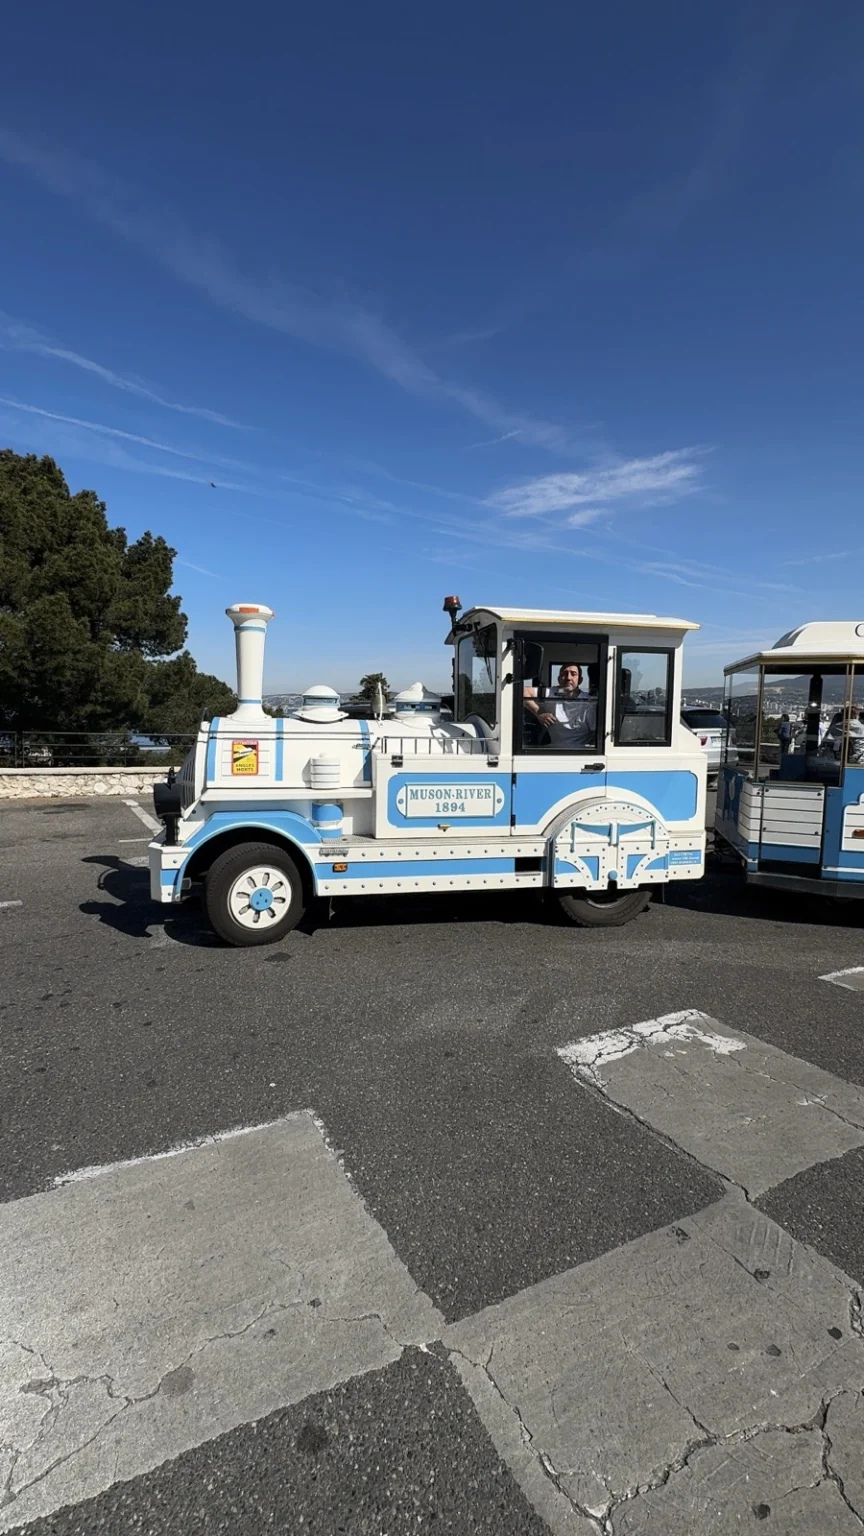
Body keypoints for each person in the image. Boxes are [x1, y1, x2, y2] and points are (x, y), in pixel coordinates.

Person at [524, 662, 597, 747]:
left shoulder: (589, 702)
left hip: (580, 752)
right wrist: (539, 712)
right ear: (559, 679)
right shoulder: (550, 693)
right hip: (554, 751)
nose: (568, 678)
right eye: (564, 674)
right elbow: (523, 691)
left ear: (580, 680)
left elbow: (596, 734)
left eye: (573, 674)